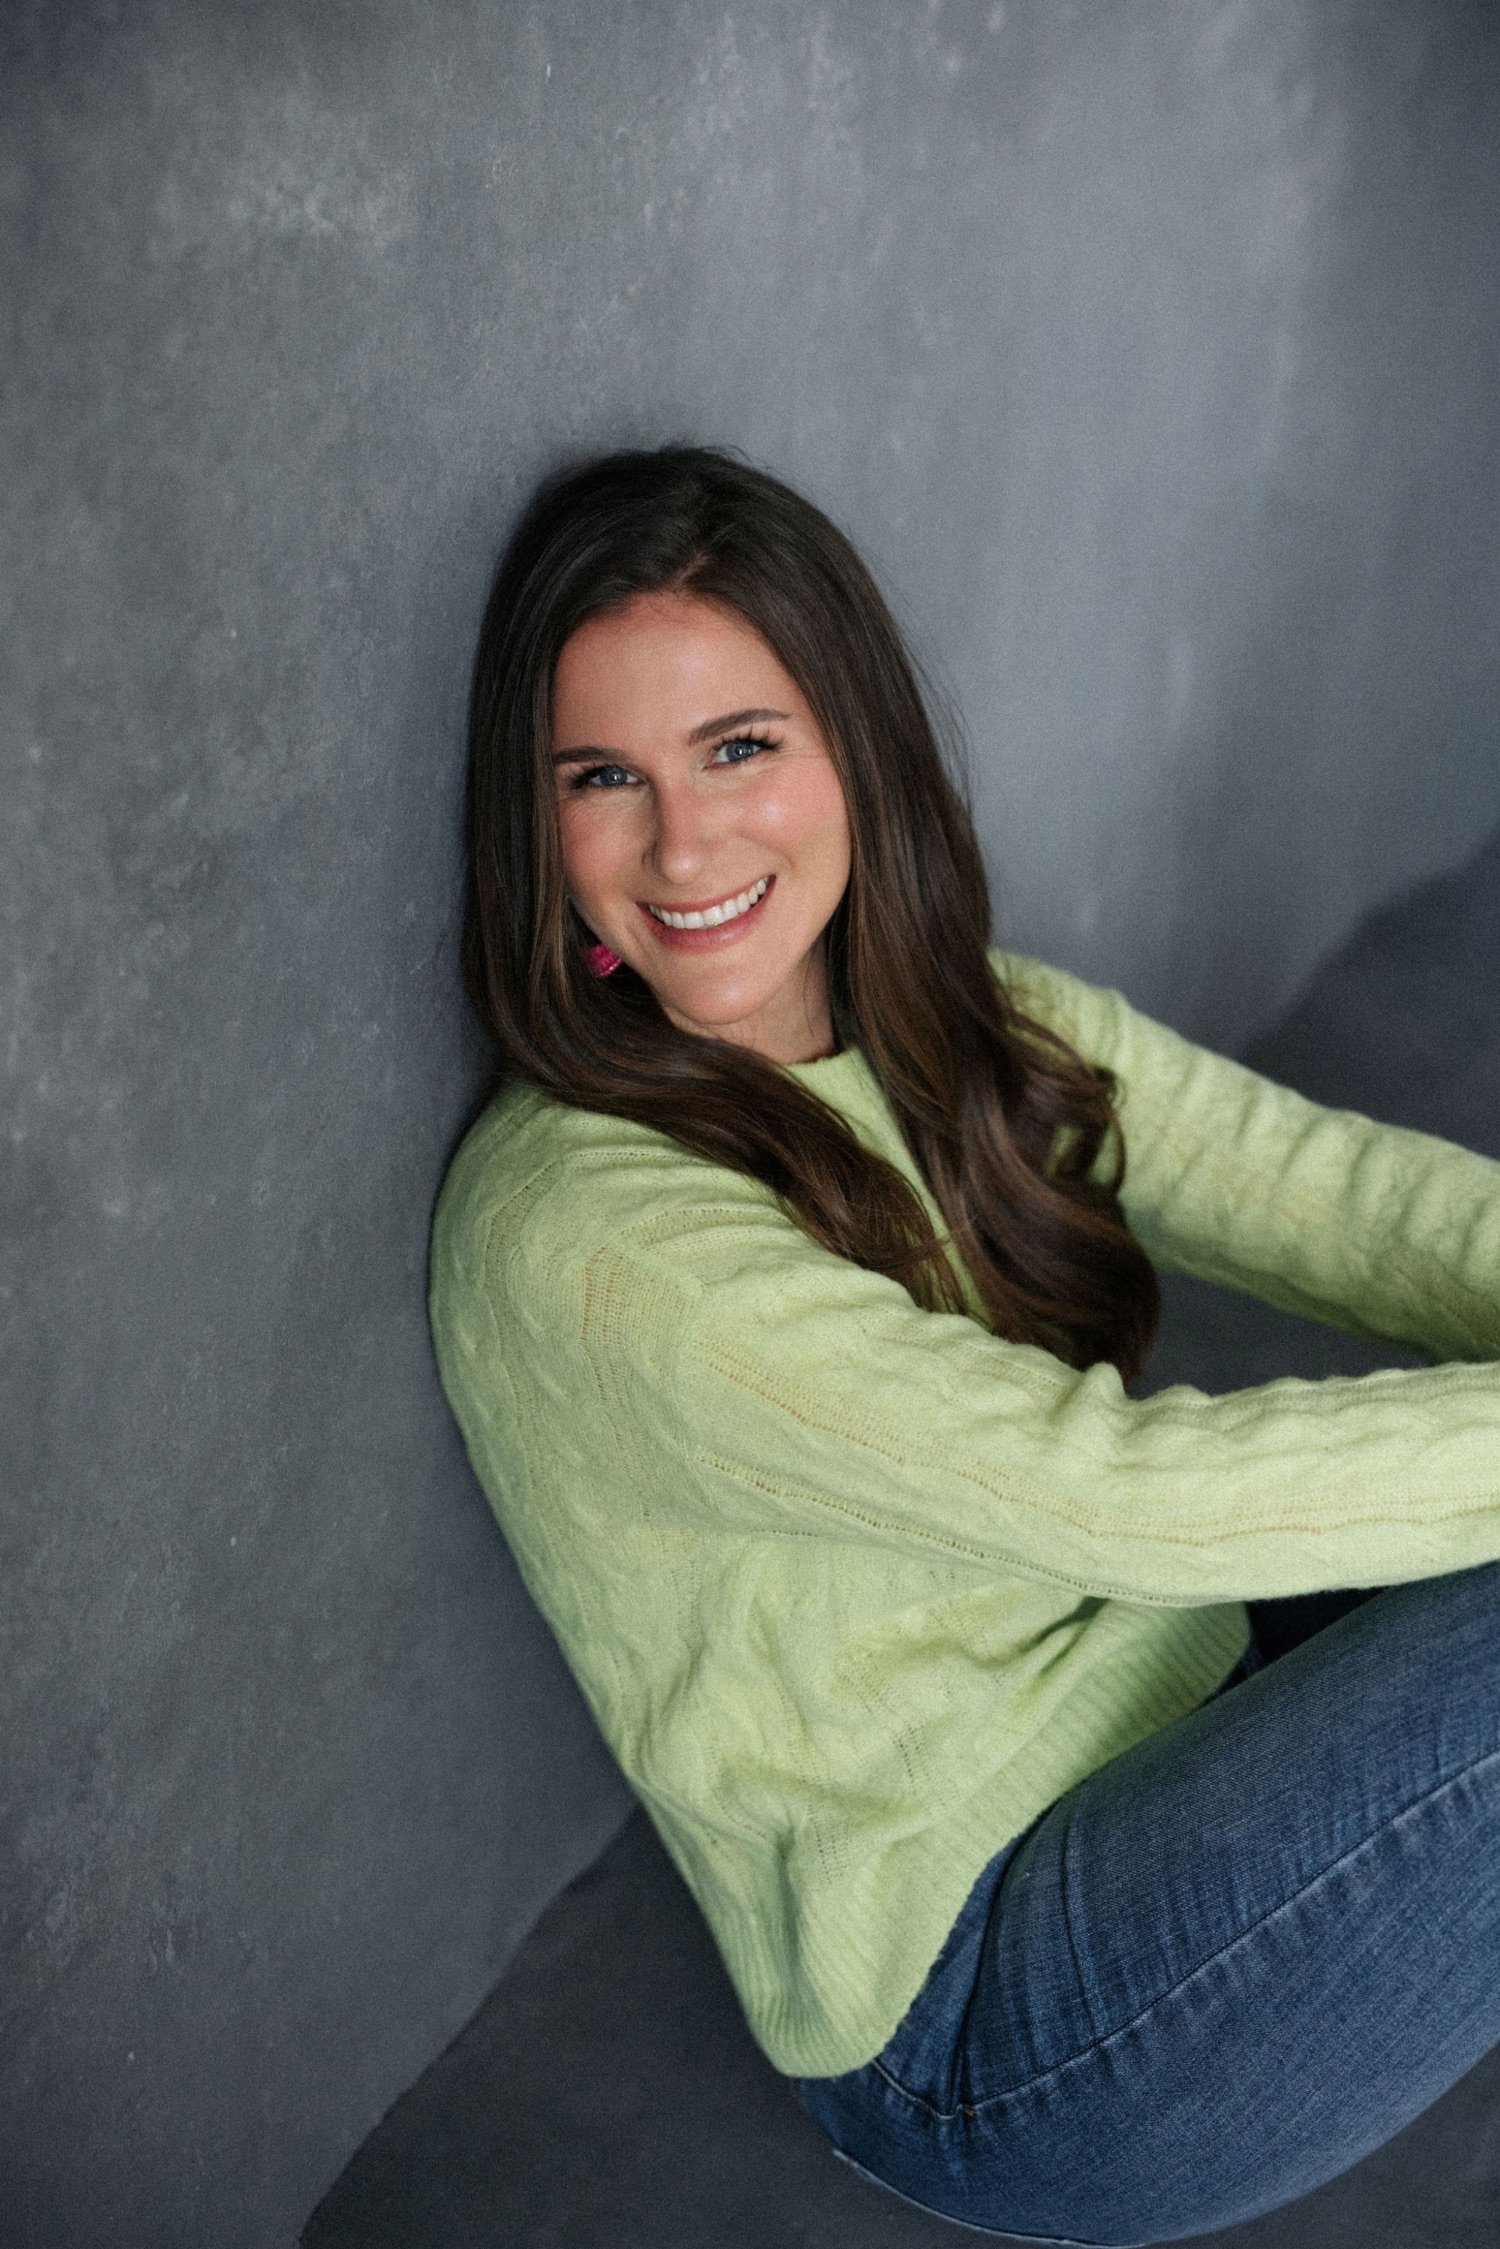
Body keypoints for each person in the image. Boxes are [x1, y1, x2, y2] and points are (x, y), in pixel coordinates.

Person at [429, 443, 1500, 2245]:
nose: (681, 844)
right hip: (994, 2017)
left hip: (1176, 1698)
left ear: (854, 744)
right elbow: (1113, 1494)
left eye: (738, 747)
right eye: (603, 779)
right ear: (536, 829)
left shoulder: (955, 1025)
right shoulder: (589, 1237)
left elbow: (1347, 1198)